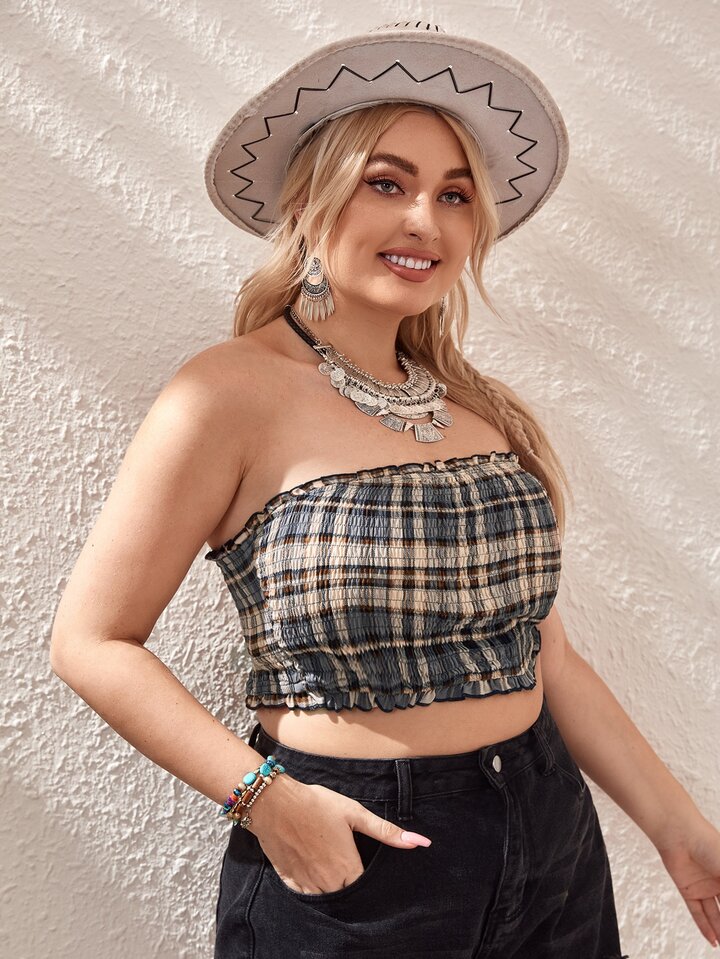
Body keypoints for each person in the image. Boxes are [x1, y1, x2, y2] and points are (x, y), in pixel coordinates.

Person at [49, 20, 719, 959]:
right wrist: (266, 799)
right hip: (359, 865)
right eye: (387, 182)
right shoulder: (225, 394)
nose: (426, 222)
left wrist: (682, 831)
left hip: (549, 838)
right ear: (310, 199)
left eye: (454, 194)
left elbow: (546, 653)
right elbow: (91, 641)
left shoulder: (474, 408)